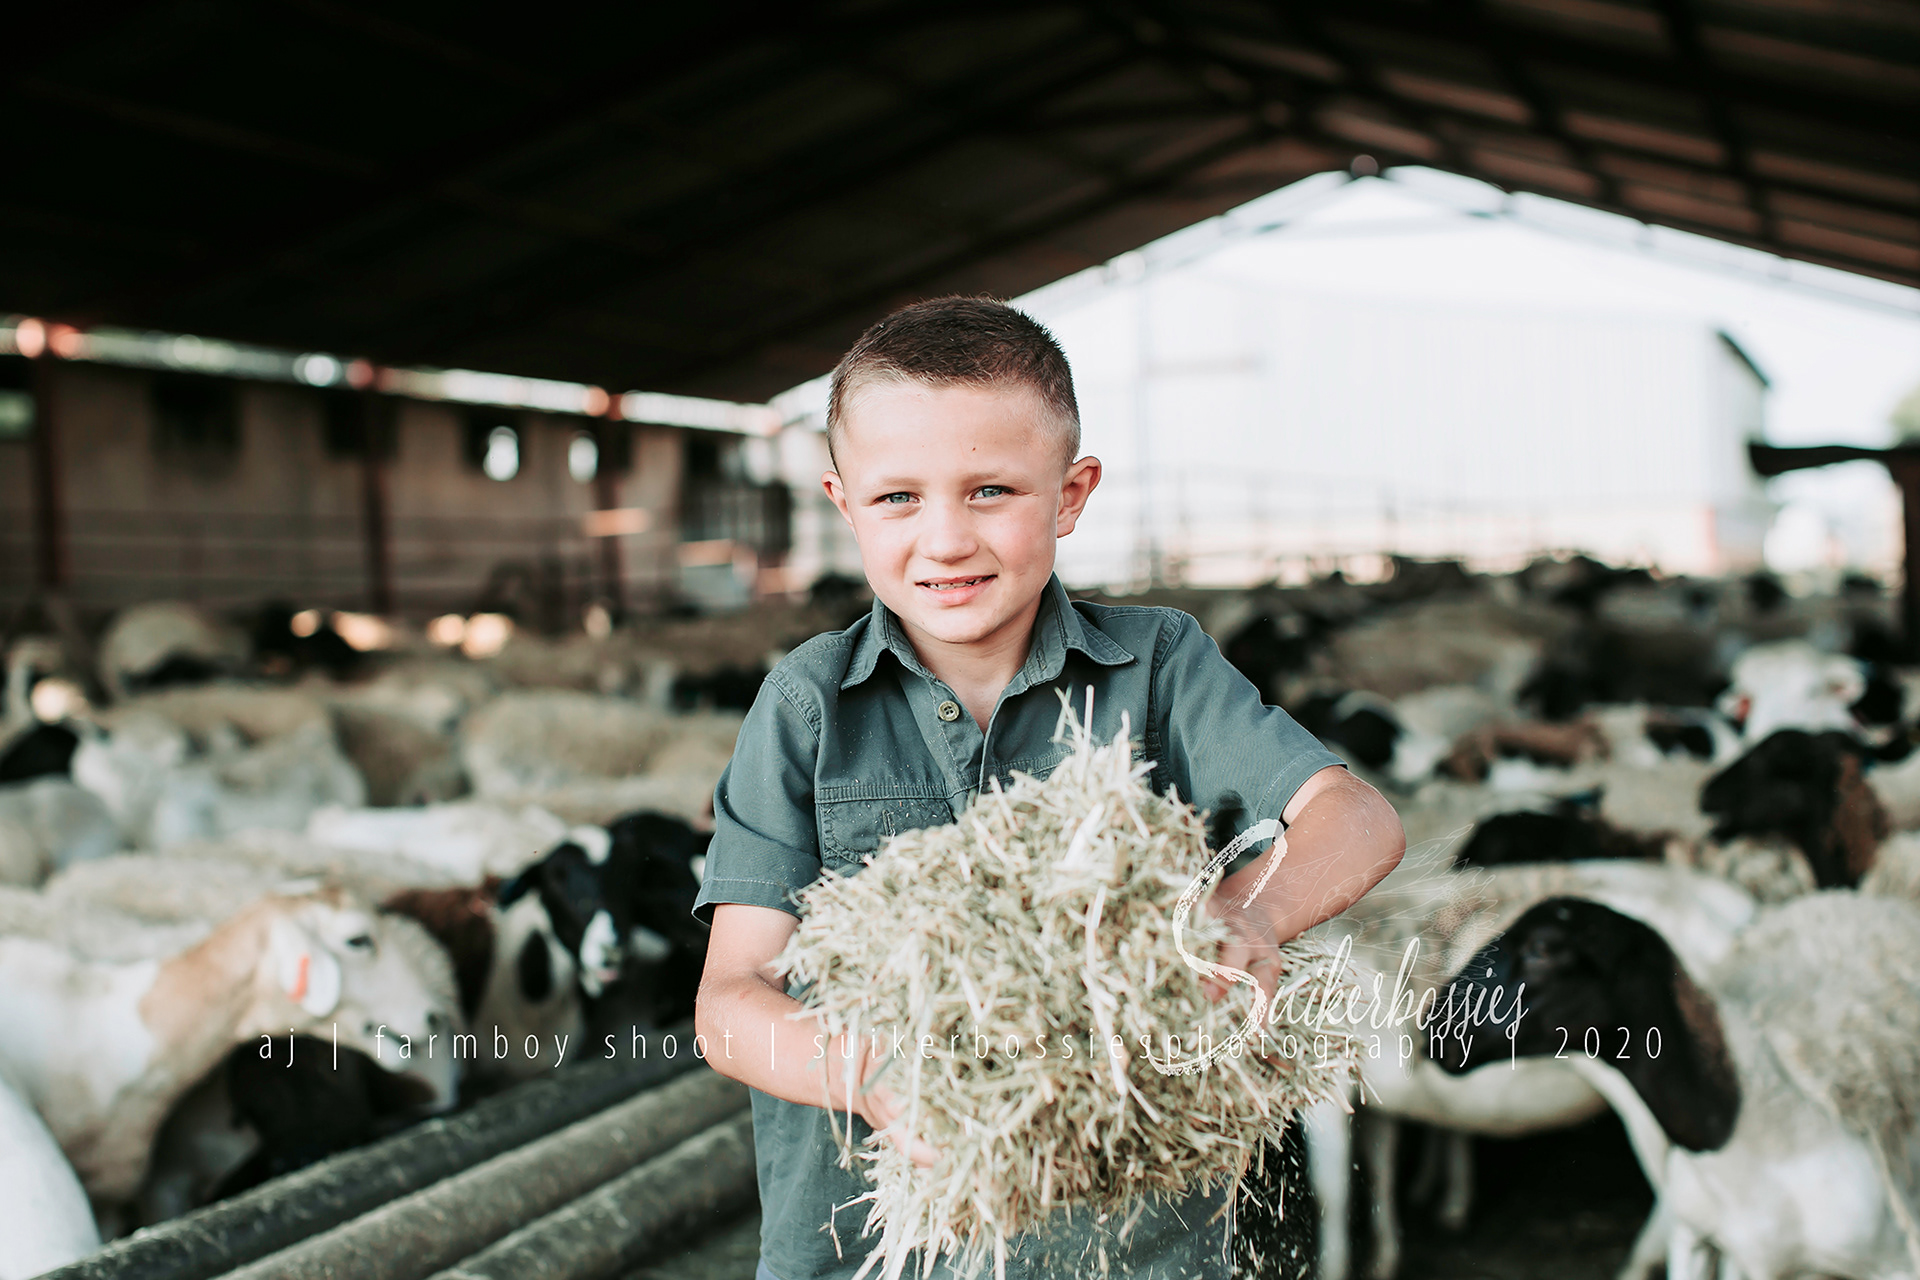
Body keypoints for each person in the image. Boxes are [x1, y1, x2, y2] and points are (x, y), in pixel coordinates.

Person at [693, 295, 1406, 1280]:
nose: (945, 538)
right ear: (843, 503)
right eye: (899, 497)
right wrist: (880, 1072)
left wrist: (1249, 913)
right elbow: (730, 1001)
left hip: (1127, 1244)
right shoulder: (807, 704)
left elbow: (1356, 816)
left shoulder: (1160, 666)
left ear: (1070, 495)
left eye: (991, 490)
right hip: (869, 1250)